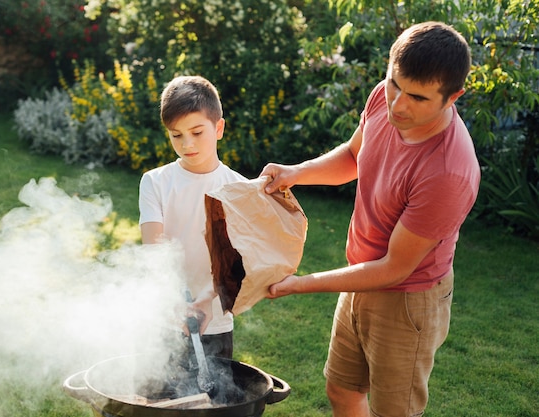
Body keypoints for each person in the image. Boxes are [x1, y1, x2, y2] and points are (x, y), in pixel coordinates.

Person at [260, 22, 480, 416]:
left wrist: (299, 285)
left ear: (453, 97)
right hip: (360, 276)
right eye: (395, 83)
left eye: (417, 97)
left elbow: (394, 269)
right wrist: (296, 172)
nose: (398, 104)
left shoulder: (448, 171)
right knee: (342, 391)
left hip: (408, 299)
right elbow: (352, 156)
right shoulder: (383, 96)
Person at [139, 75, 246, 359]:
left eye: (197, 132)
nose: (187, 144)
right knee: (158, 401)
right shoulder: (155, 182)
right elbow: (154, 251)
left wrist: (207, 299)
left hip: (214, 320)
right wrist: (174, 302)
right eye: (177, 135)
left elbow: (239, 261)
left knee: (212, 401)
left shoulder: (238, 189)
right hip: (164, 318)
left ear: (219, 128)